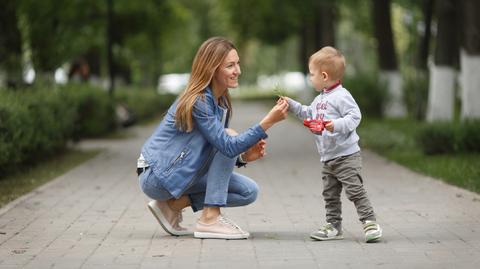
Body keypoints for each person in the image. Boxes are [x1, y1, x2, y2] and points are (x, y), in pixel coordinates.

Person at [137, 37, 289, 240]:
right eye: (230, 65)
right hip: (156, 174)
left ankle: (173, 205)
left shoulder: (220, 101)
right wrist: (267, 122)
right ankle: (210, 218)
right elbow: (225, 145)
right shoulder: (199, 100)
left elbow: (214, 149)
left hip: (177, 171)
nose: (238, 71)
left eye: (238, 64)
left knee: (248, 191)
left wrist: (243, 158)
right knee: (229, 138)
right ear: (212, 69)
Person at [280, 46, 382, 243]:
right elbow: (308, 113)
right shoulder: (319, 99)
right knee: (330, 194)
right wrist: (291, 104)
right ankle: (334, 226)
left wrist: (335, 125)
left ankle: (370, 222)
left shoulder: (342, 96)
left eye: (312, 74)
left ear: (324, 75)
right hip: (328, 158)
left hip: (346, 156)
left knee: (355, 190)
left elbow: (355, 117)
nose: (310, 78)